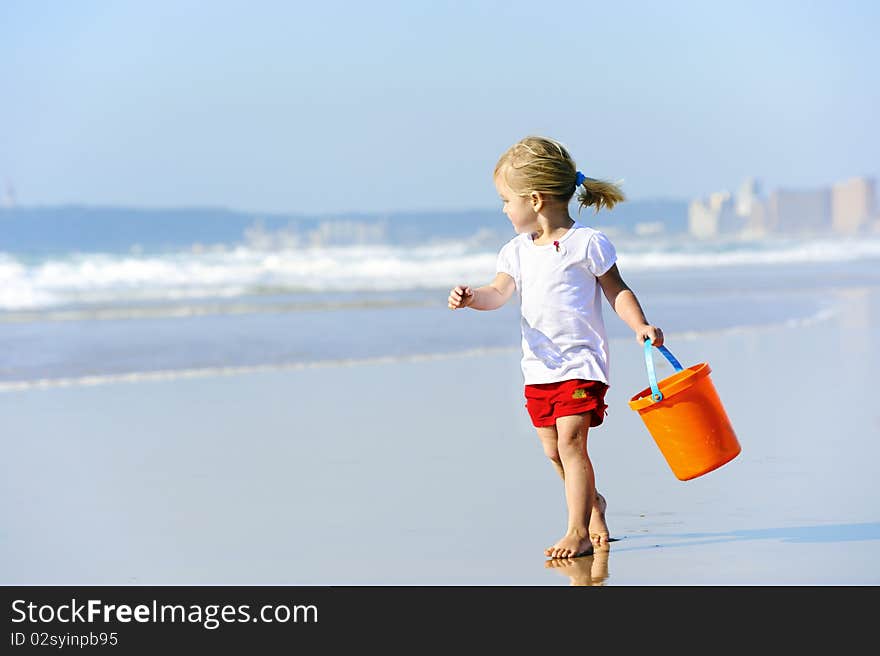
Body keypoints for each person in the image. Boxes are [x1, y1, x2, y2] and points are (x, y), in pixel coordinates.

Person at [447, 135, 663, 559]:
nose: (504, 209)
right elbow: (498, 293)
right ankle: (593, 504)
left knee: (572, 443)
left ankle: (577, 532)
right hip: (539, 369)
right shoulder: (515, 252)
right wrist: (473, 298)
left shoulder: (587, 243)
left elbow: (617, 290)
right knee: (553, 451)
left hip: (581, 364)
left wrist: (639, 324)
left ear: (535, 199)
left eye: (506, 200)